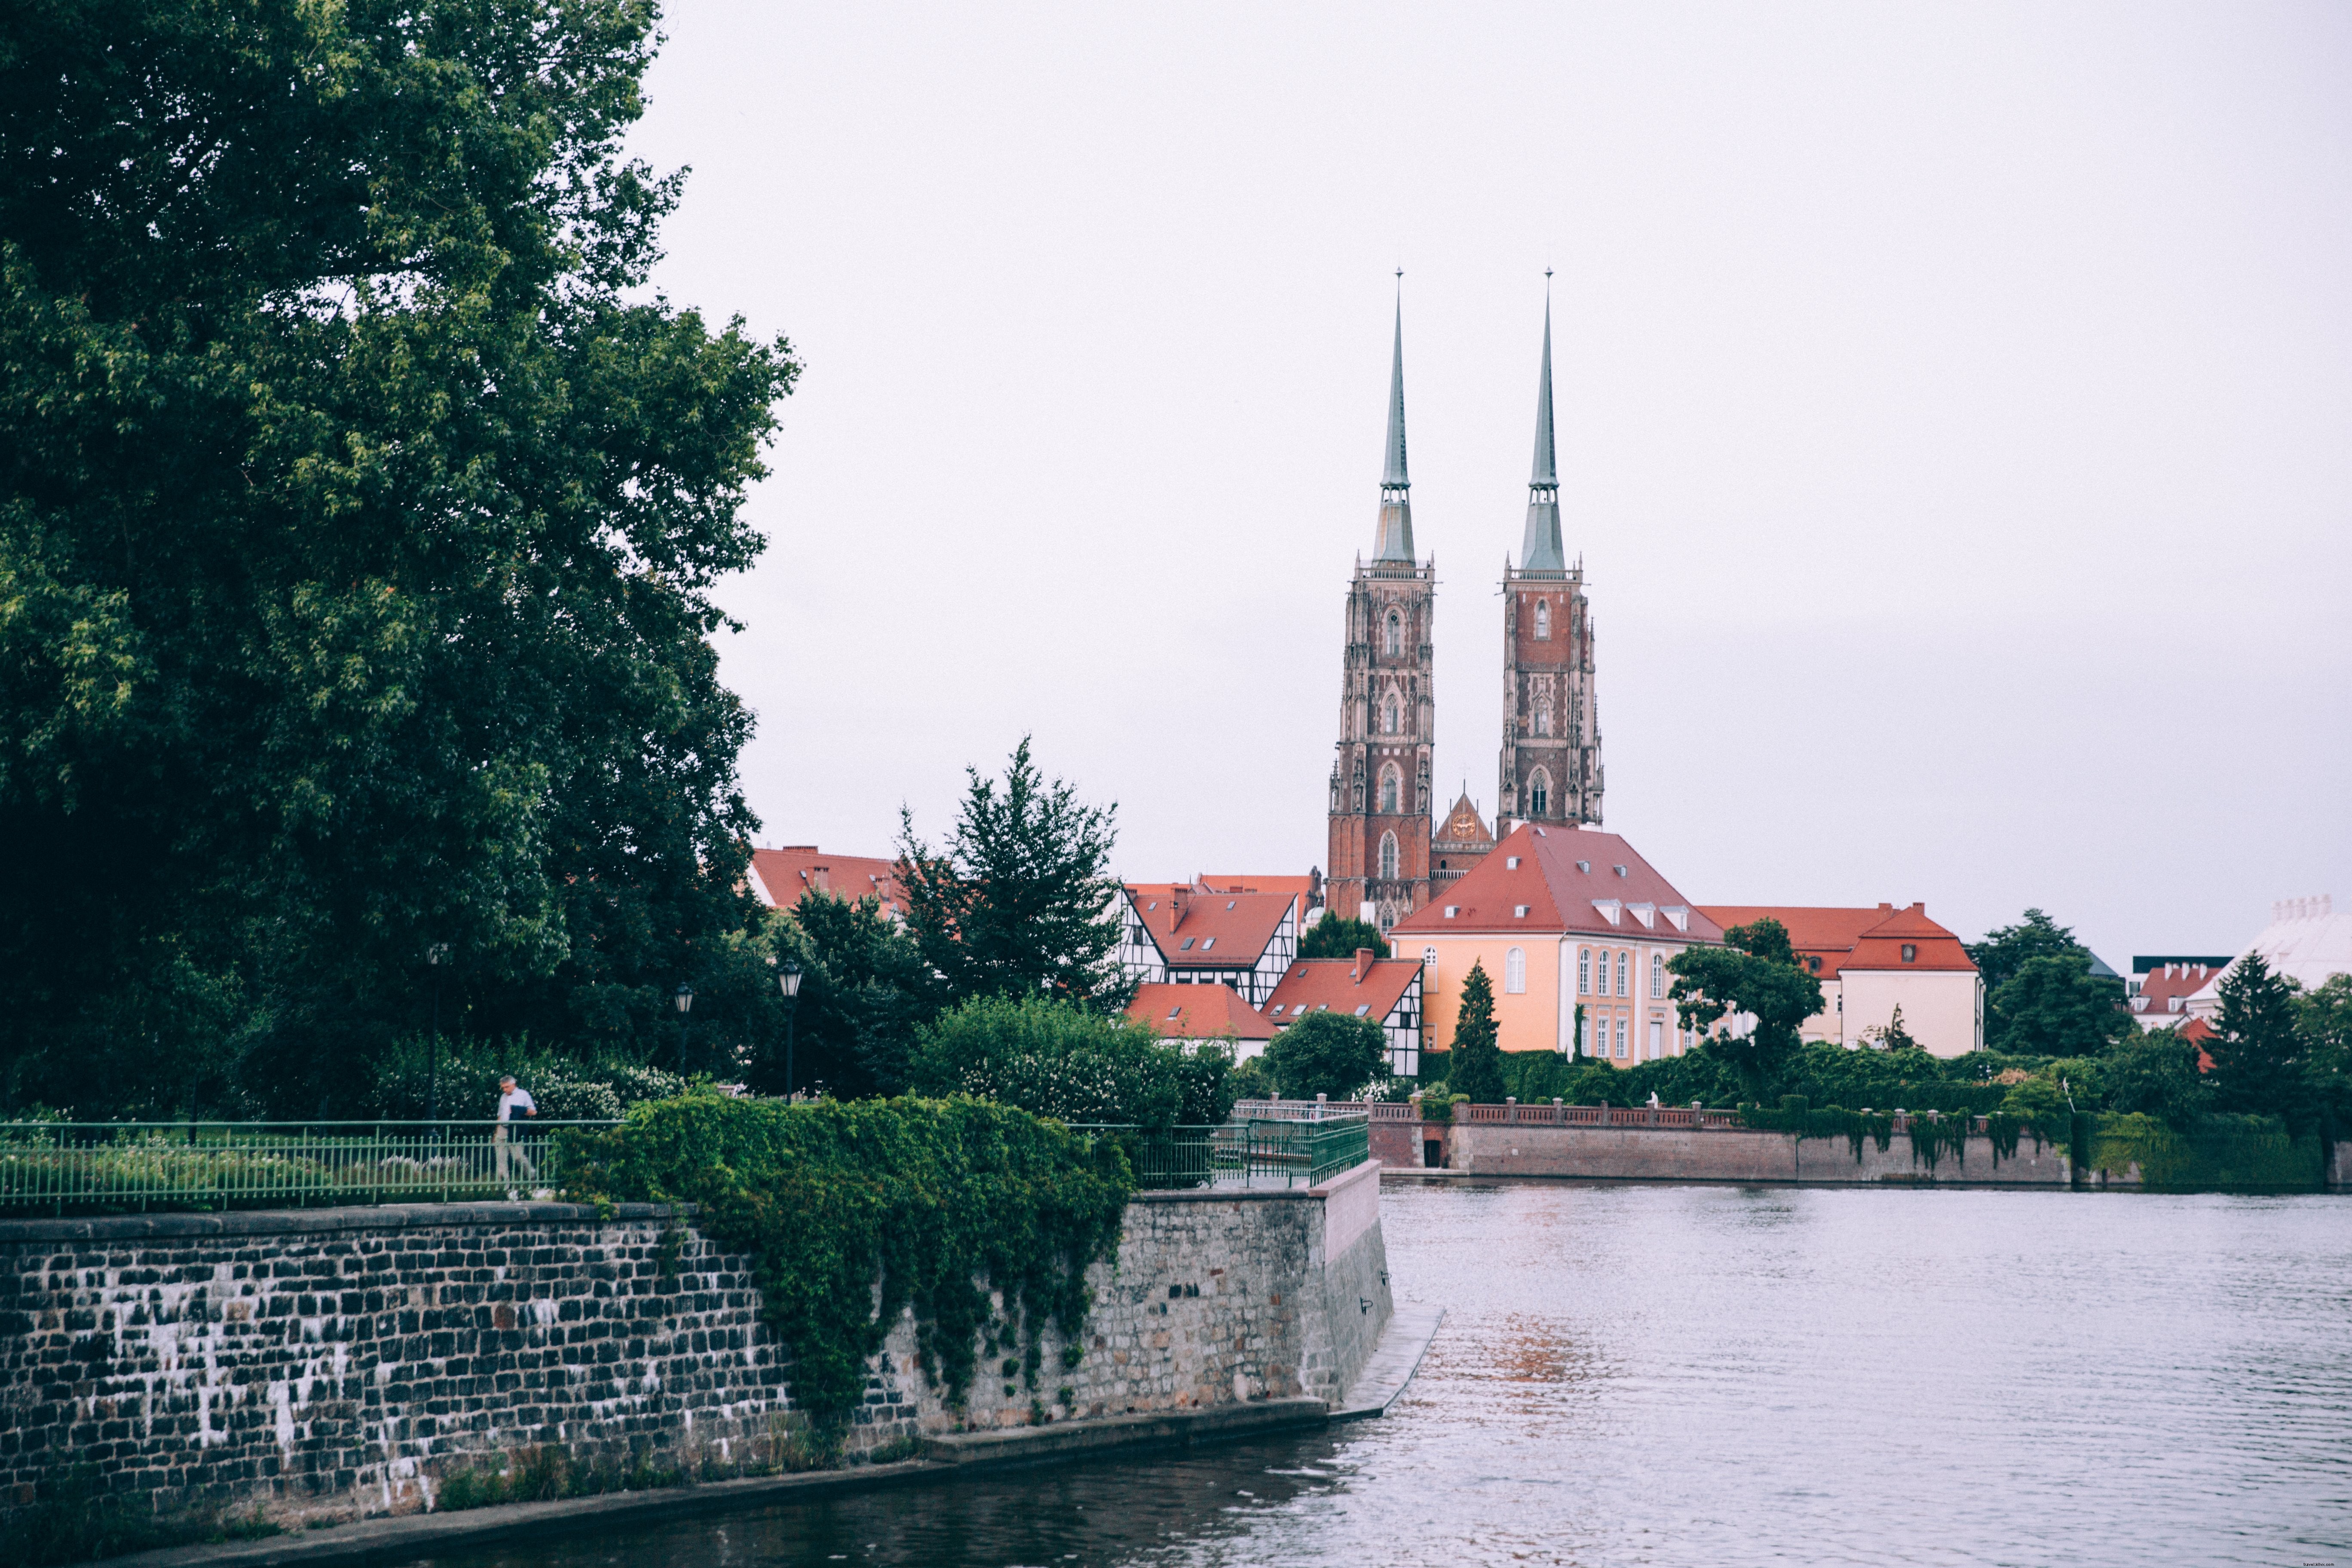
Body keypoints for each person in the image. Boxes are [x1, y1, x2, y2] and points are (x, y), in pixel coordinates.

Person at [494, 1074, 537, 1188]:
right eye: (503, 1088)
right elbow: (500, 1115)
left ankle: (532, 1176)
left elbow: (533, 1112)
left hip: (516, 1129)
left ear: (514, 1084)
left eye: (507, 1087)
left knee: (518, 1157)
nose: (505, 1090)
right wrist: (496, 1132)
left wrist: (518, 1110)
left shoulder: (523, 1095)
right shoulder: (503, 1097)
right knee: (501, 1158)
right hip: (503, 1128)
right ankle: (504, 1185)